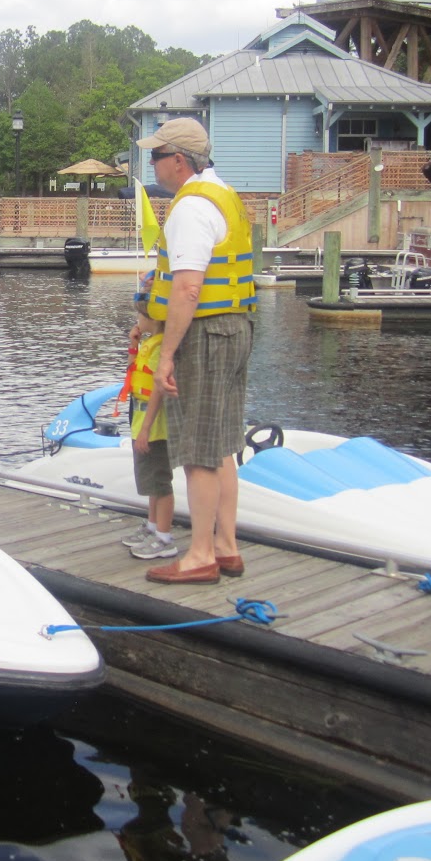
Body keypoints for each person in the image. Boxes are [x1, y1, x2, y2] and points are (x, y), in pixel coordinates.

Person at [136, 118, 255, 584]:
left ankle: (200, 556)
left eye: (156, 156)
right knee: (224, 443)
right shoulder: (222, 194)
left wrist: (166, 355)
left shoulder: (189, 208)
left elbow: (187, 288)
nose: (152, 165)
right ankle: (226, 545)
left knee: (200, 451)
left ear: (179, 160)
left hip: (205, 333)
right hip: (236, 327)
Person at [118, 282, 177, 560]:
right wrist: (133, 343)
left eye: (140, 316)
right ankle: (152, 526)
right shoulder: (147, 344)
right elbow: (132, 372)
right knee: (150, 479)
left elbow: (157, 390)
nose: (138, 322)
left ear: (154, 319)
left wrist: (145, 429)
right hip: (139, 415)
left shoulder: (161, 349)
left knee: (159, 480)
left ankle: (165, 538)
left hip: (154, 424)